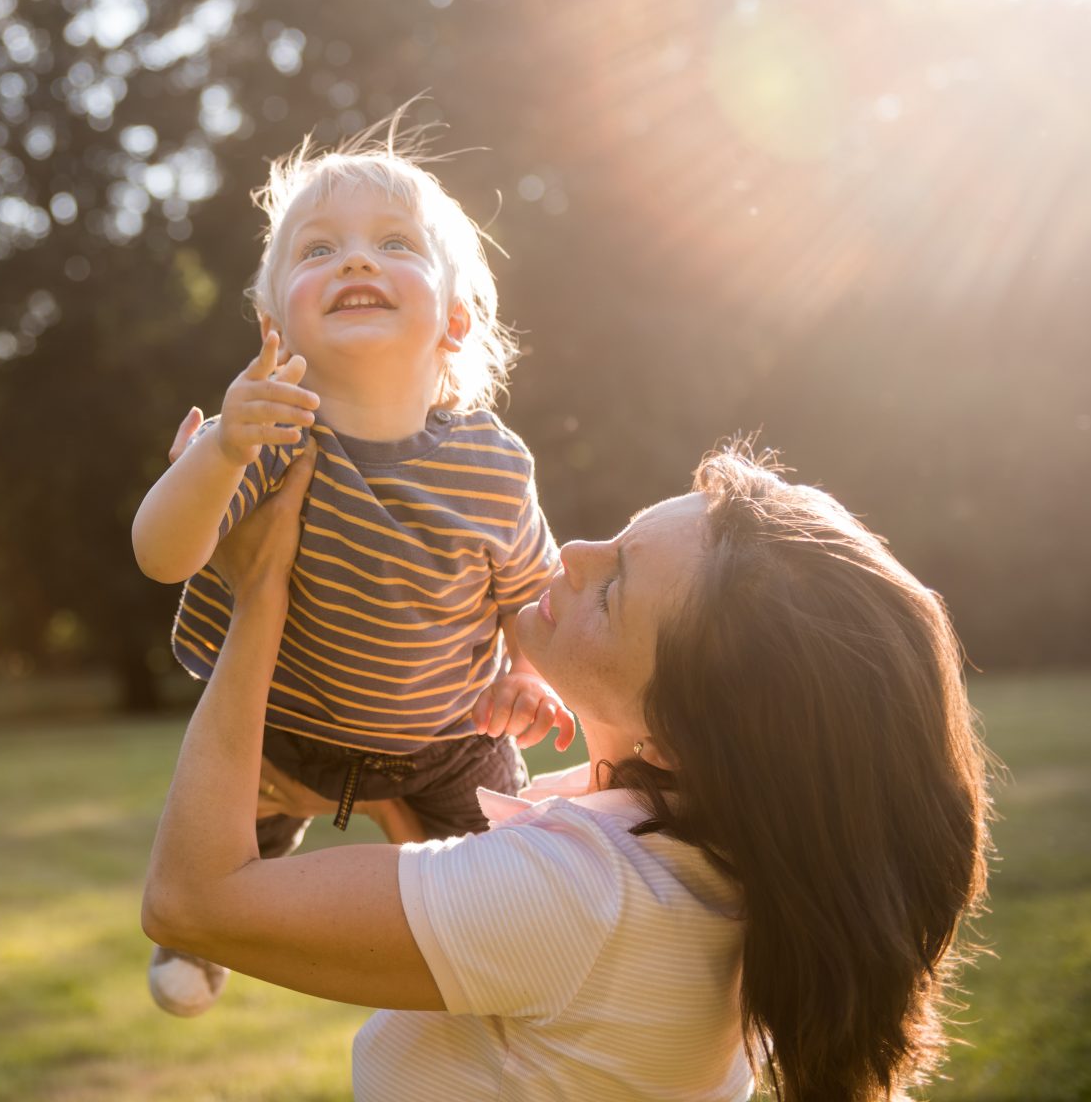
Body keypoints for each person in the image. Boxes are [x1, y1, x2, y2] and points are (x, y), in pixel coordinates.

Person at [143, 438, 992, 1101]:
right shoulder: (711, 865)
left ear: (674, 738)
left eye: (612, 590)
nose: (573, 551)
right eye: (618, 537)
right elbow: (483, 918)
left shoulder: (579, 897)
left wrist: (261, 593)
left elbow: (192, 902)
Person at [131, 121, 573, 1015]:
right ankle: (195, 941)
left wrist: (526, 675)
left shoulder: (493, 463)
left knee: (525, 883)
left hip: (451, 742)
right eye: (319, 250)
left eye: (394, 245)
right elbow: (162, 555)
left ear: (455, 319)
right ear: (274, 322)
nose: (356, 262)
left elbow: (533, 594)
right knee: (223, 835)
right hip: (286, 731)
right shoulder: (266, 431)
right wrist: (214, 456)